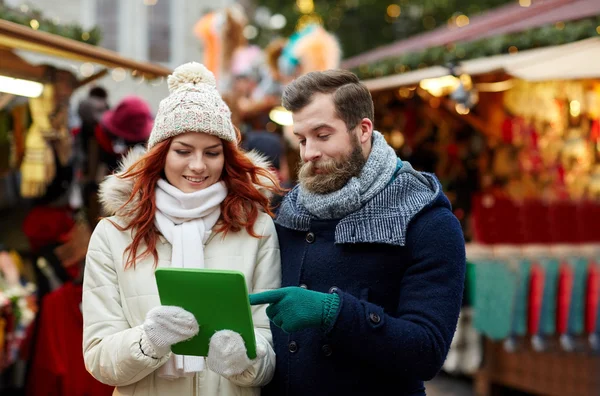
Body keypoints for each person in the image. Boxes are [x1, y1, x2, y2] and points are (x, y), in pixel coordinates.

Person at [249, 69, 466, 396]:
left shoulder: (425, 218)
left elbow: (427, 353)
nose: (308, 153)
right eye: (302, 139)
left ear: (363, 130)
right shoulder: (285, 211)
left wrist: (333, 313)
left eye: (323, 136)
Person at [82, 62, 283, 395]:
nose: (198, 165)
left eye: (212, 152)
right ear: (161, 154)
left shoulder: (255, 228)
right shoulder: (114, 233)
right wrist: (148, 341)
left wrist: (245, 358)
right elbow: (98, 356)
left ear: (226, 157)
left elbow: (269, 349)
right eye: (183, 151)